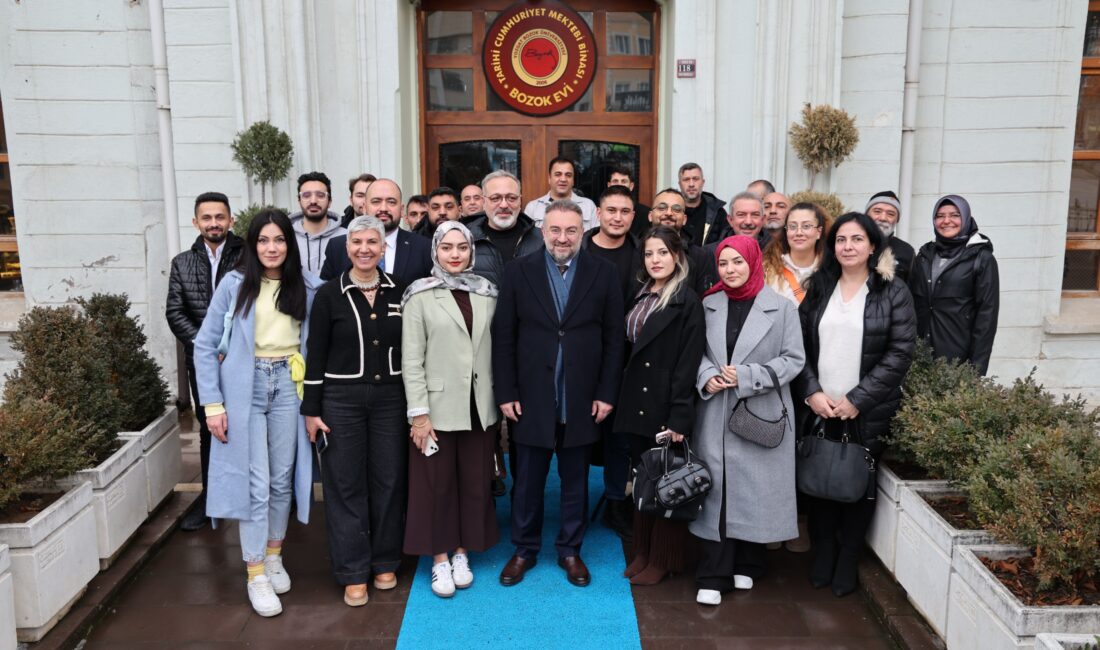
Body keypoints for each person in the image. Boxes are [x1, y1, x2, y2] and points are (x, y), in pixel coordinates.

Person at [193, 209, 323, 617]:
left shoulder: (305, 286)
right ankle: (254, 573)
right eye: (263, 240)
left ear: (290, 244)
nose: (271, 248)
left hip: (288, 385)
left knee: (282, 479)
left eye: (279, 240)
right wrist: (212, 404)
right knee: (257, 485)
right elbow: (204, 344)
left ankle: (273, 554)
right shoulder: (234, 285)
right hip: (243, 388)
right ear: (252, 244)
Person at [492, 200, 625, 588]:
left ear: (582, 231)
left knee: (575, 480)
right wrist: (506, 391)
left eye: (570, 230)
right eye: (554, 230)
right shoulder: (518, 272)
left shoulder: (605, 273)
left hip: (582, 395)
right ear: (542, 231)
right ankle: (524, 550)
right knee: (528, 480)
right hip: (530, 394)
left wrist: (607, 392)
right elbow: (504, 337)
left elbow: (615, 339)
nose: (562, 238)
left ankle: (570, 550)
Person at [794, 212, 916, 597]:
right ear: (832, 247)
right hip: (819, 406)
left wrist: (857, 400)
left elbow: (900, 352)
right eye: (841, 240)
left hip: (867, 409)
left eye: (857, 239)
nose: (848, 246)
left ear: (873, 246)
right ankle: (824, 552)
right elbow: (796, 346)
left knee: (858, 485)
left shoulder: (893, 291)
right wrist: (811, 392)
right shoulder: (818, 287)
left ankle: (847, 558)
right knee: (819, 481)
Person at [690, 236, 805, 606]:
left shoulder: (782, 308)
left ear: (754, 262)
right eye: (724, 263)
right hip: (715, 411)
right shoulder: (708, 303)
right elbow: (694, 353)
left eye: (738, 262)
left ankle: (749, 563)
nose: (730, 270)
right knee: (717, 491)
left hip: (761, 409)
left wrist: (749, 376)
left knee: (755, 490)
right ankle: (713, 572)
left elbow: (794, 359)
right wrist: (707, 375)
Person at [302, 215, 409, 608]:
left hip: (391, 400)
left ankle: (385, 560)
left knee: (389, 480)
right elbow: (315, 355)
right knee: (345, 485)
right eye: (357, 242)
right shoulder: (330, 294)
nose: (365, 249)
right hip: (340, 401)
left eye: (373, 242)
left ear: (383, 248)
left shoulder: (400, 291)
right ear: (346, 248)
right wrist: (311, 409)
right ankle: (352, 570)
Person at [401, 221, 500, 598]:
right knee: (435, 485)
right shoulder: (419, 295)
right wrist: (419, 415)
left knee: (473, 483)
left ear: (472, 252)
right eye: (447, 248)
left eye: (462, 247)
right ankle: (439, 559)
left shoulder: (487, 293)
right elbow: (412, 360)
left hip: (479, 407)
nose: (455, 254)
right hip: (436, 408)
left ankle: (462, 553)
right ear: (435, 252)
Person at [614, 225, 706, 585]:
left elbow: (688, 363)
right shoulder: (640, 293)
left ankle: (664, 559)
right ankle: (642, 550)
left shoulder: (687, 301)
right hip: (636, 400)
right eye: (649, 253)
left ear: (677, 256)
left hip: (665, 406)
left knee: (667, 483)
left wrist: (680, 418)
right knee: (643, 481)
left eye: (663, 253)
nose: (655, 260)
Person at [166, 191, 244, 531]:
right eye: (207, 218)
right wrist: (206, 346)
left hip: (243, 359)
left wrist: (234, 346)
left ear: (231, 219)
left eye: (220, 217)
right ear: (195, 222)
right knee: (210, 428)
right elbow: (175, 311)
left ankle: (248, 496)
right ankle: (211, 501)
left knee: (247, 425)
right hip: (203, 362)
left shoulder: (247, 257)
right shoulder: (182, 262)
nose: (214, 223)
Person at [581, 185, 643, 539]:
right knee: (579, 433)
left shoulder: (642, 254)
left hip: (629, 360)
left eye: (624, 211)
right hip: (582, 357)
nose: (617, 217)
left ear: (633, 216)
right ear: (598, 214)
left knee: (621, 437)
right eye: (611, 210)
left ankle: (616, 500)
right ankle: (571, 501)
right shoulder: (579, 249)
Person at [909, 195, 999, 375]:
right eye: (940, 216)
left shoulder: (982, 259)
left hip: (957, 363)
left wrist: (976, 370)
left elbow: (986, 318)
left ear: (966, 218)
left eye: (955, 215)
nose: (946, 221)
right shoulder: (925, 255)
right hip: (919, 358)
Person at [320, 179, 432, 283]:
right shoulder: (337, 247)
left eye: (391, 202)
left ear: (402, 210)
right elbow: (326, 296)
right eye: (376, 201)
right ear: (364, 208)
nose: (383, 208)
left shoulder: (424, 247)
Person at [466, 170, 543, 288]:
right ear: (484, 202)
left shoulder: (542, 240)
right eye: (495, 198)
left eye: (511, 198)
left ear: (520, 201)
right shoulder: (465, 239)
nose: (503, 205)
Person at [649, 188, 715, 295]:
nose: (669, 213)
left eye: (676, 209)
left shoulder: (701, 256)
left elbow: (705, 300)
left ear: (684, 219)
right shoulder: (636, 251)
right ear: (650, 216)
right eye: (662, 208)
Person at [763, 202, 829, 305]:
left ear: (819, 232)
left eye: (806, 226)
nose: (799, 233)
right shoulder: (767, 272)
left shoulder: (830, 271)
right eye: (792, 226)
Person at [290, 171, 346, 274]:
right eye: (306, 195)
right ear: (299, 201)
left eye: (320, 195)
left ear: (329, 202)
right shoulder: (287, 237)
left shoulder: (346, 237)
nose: (313, 201)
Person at [523, 157, 598, 231]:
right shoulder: (533, 208)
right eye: (558, 174)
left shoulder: (589, 206)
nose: (563, 179)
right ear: (549, 178)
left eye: (568, 175)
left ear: (573, 180)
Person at [865, 191, 915, 283]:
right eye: (877, 211)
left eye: (890, 214)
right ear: (866, 214)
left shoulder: (907, 251)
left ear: (897, 220)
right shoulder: (851, 244)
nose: (883, 218)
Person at [678, 162, 727, 245]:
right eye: (686, 180)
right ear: (679, 184)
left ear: (703, 182)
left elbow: (724, 242)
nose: (691, 184)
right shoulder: (671, 210)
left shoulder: (717, 212)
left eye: (695, 179)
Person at [607, 166, 650, 236]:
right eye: (615, 181)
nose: (619, 185)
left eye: (623, 181)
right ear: (609, 185)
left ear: (631, 186)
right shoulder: (603, 211)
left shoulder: (645, 214)